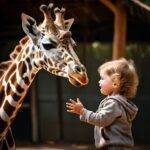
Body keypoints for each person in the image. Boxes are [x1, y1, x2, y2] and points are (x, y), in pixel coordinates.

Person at [66, 58, 139, 150]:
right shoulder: (117, 102)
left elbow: (101, 120)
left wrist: (82, 111)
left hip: (115, 147)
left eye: (102, 78)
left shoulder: (114, 103)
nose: (99, 81)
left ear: (115, 83)